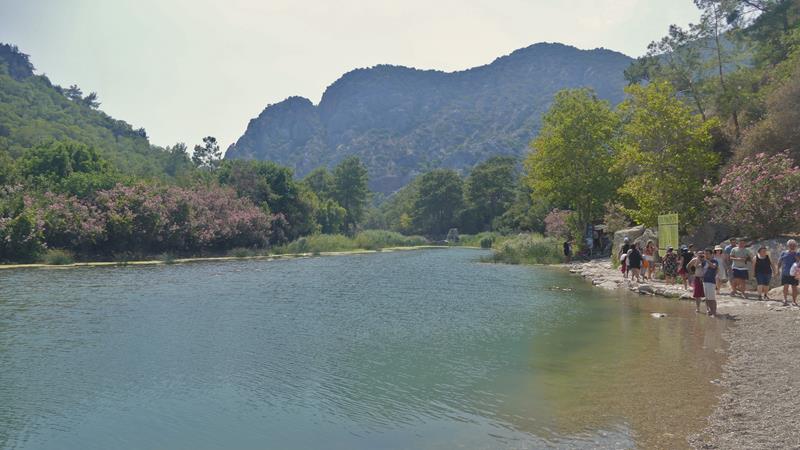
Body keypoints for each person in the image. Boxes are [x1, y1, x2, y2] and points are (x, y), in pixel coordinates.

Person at [778, 239, 799, 306]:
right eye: (791, 245)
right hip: (785, 272)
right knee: (785, 286)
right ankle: (785, 299)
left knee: (794, 287)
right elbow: (779, 262)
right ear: (788, 245)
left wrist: (796, 257)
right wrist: (777, 270)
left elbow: (799, 262)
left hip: (794, 273)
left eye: (794, 245)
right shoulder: (784, 253)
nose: (792, 246)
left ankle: (794, 301)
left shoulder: (797, 253)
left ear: (795, 246)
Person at [702, 248, 720, 317]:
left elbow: (713, 266)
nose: (706, 255)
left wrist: (706, 260)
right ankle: (709, 310)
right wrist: (698, 259)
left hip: (711, 281)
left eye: (707, 254)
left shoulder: (714, 260)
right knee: (707, 297)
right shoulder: (703, 262)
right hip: (704, 281)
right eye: (705, 254)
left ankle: (714, 312)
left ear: (711, 254)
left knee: (712, 298)